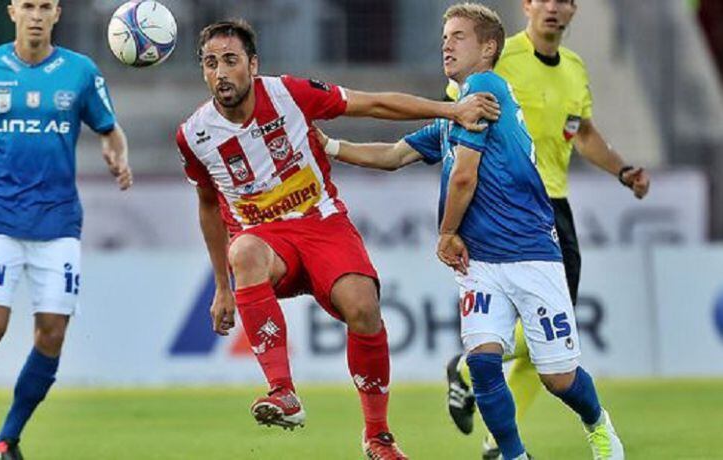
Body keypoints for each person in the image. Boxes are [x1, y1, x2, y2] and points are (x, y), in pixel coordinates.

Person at [175, 20, 499, 460]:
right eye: (210, 64)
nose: (220, 73)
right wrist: (220, 285)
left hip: (321, 223)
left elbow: (374, 104)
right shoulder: (194, 135)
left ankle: (378, 436)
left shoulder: (290, 94)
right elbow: (209, 205)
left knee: (364, 307)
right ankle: (282, 391)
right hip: (265, 239)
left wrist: (451, 110)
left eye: (230, 61)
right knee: (244, 250)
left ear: (253, 64)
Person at [317, 4, 625, 459]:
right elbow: (394, 154)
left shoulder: (484, 89)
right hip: (479, 260)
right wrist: (328, 146)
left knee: (557, 377)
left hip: (530, 252)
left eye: (458, 36)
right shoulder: (456, 113)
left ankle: (598, 424)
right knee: (482, 364)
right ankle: (515, 455)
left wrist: (445, 233)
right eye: (445, 36)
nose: (446, 43)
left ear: (488, 48)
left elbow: (465, 176)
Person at [442, 1, 649, 457]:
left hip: (553, 206)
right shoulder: (497, 59)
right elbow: (458, 111)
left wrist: (622, 169)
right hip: (504, 206)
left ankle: (487, 420)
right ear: (527, 6)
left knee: (550, 349)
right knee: (531, 343)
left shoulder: (574, 68)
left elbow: (584, 131)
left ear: (574, 10)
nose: (553, 7)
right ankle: (491, 415)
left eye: (564, 0)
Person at [0, 1, 131, 459]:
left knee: (51, 333)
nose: (35, 14)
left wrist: (117, 152)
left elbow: (109, 129)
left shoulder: (80, 71)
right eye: (27, 5)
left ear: (57, 14)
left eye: (44, 6)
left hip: (58, 224)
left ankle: (6, 440)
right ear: (12, 11)